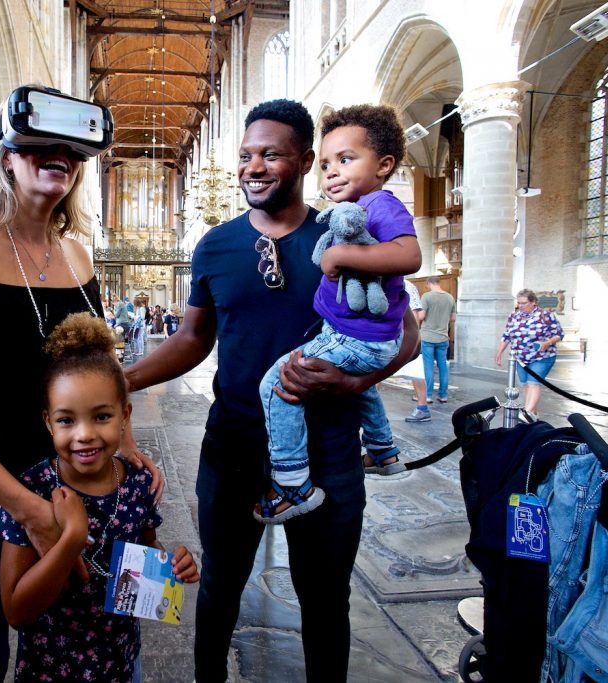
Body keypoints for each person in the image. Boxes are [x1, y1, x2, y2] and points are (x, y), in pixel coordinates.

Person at [122, 99, 418, 681]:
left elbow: (404, 335)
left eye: (271, 155)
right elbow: (192, 338)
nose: (253, 166)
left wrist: (355, 379)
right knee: (219, 590)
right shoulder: (215, 245)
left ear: (306, 161)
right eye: (245, 155)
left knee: (325, 598)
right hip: (232, 449)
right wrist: (123, 380)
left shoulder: (343, 233)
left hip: (327, 453)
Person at [0, 86, 160, 682]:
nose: (60, 156)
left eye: (73, 149)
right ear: (7, 158)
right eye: (41, 144)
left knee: (82, 634)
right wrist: (25, 508)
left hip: (61, 478)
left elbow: (100, 370)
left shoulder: (78, 257)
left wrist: (123, 444)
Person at [0, 313, 199, 682]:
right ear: (48, 423)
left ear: (124, 415)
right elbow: (16, 611)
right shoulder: (32, 490)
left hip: (120, 662)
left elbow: (146, 549)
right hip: (50, 669)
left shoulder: (136, 483)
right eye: (67, 421)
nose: (84, 435)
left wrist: (172, 568)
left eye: (101, 416)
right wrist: (71, 538)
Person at [255, 104, 421, 522]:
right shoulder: (357, 210)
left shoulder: (381, 204)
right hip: (353, 331)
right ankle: (385, 452)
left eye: (346, 160)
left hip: (355, 336)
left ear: (384, 165)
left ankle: (292, 484)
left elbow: (410, 255)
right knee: (363, 390)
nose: (331, 172)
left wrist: (340, 254)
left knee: (277, 384)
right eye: (326, 163)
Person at [494, 288, 564, 420]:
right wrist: (499, 352)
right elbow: (507, 335)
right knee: (526, 385)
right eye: (518, 303)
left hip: (542, 356)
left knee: (533, 383)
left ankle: (526, 413)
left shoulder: (545, 315)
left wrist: (547, 343)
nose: (520, 306)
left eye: (523, 303)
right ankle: (533, 416)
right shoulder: (514, 316)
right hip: (521, 358)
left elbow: (559, 334)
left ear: (533, 302)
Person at [420, 276, 455, 403]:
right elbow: (453, 318)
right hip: (443, 337)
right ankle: (443, 395)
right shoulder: (450, 297)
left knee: (428, 366)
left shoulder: (426, 296)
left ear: (429, 283)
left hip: (428, 337)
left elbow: (421, 316)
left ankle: (428, 395)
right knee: (443, 367)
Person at [401, 279, 430, 423]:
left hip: (402, 335)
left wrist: (413, 338)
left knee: (416, 371)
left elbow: (414, 315)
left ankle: (422, 408)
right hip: (392, 334)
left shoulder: (406, 285)